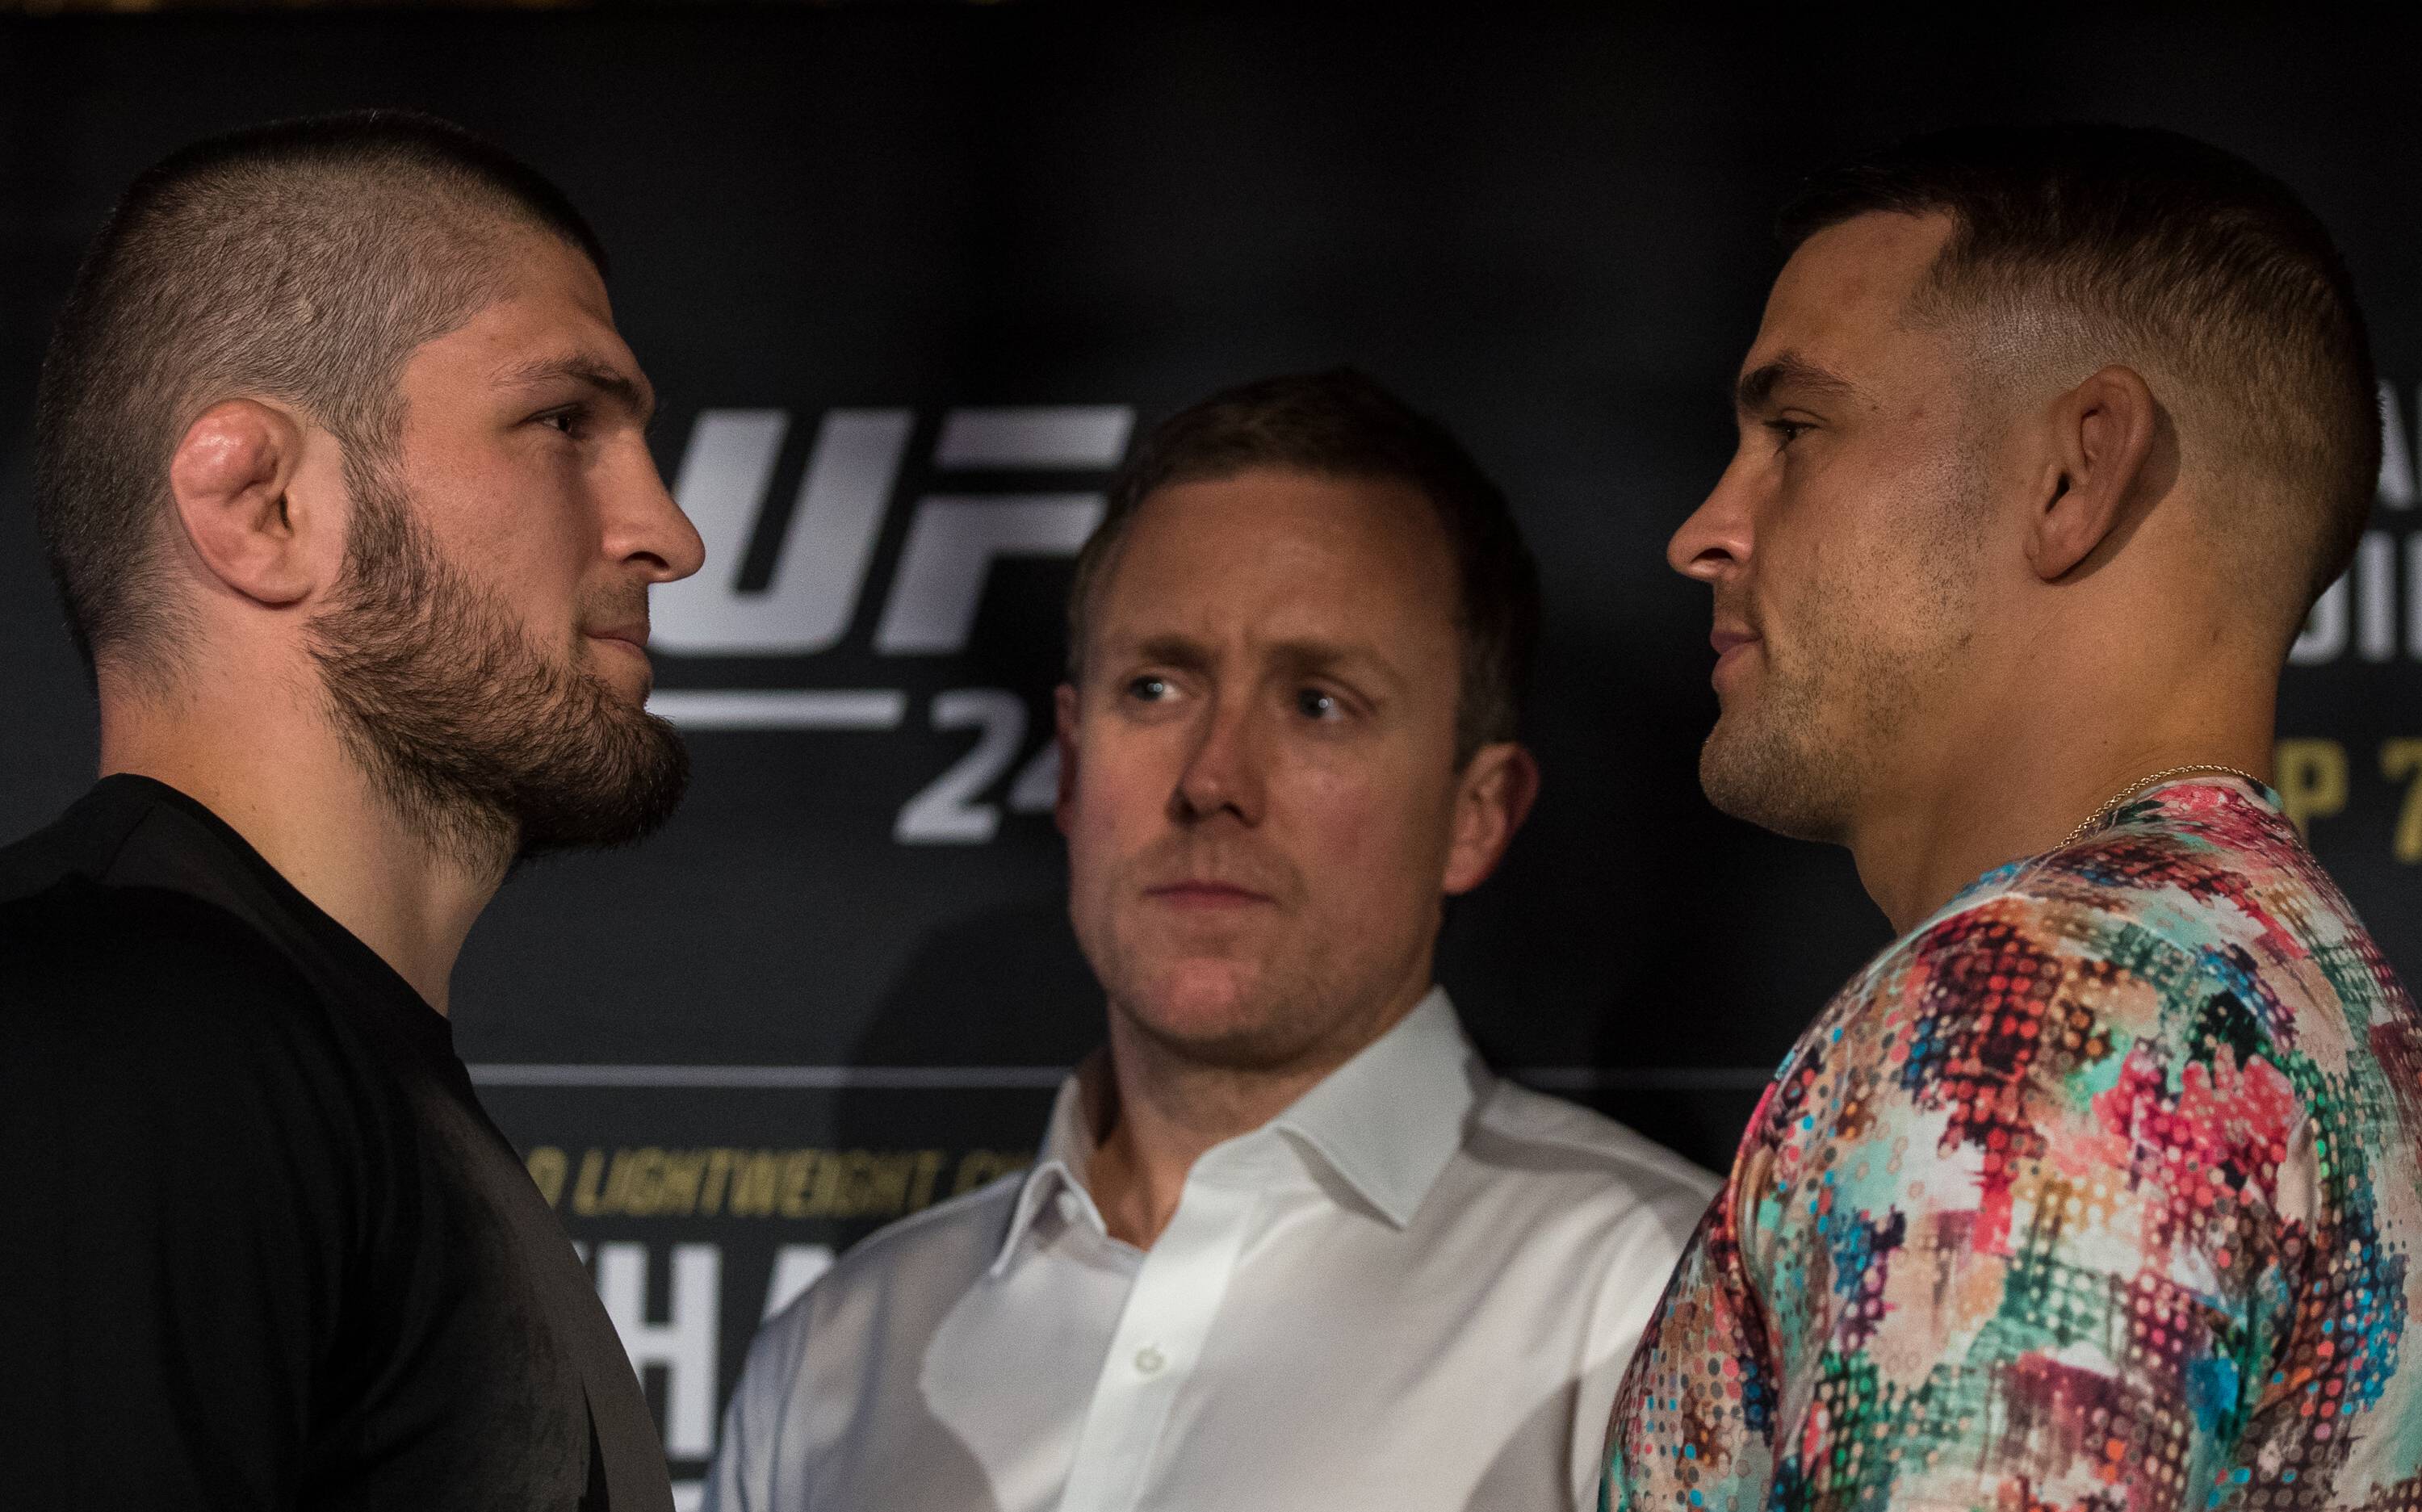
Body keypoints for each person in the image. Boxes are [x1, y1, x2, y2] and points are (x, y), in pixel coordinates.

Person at [707, 370, 1716, 1512]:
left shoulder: (1654, 1298)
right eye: (1155, 688)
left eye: (1319, 702)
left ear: (1476, 815)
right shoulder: (834, 1361)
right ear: (1072, 766)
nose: (1212, 779)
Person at [1602, 125, 2422, 1511]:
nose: (1705, 530)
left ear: (2073, 474)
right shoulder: (2329, 1008)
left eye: (1793, 431)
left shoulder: (2047, 1016)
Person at [0, 112, 704, 1510]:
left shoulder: (291, 1059)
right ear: (261, 502)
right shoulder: (113, 1043)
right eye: (564, 423)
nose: (668, 534)